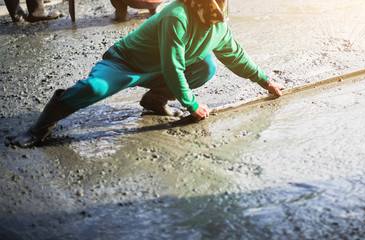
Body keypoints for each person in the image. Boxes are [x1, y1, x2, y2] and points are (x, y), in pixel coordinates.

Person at [13, 0, 285, 148]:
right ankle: (38, 128)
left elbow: (236, 55)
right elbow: (173, 65)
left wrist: (265, 81)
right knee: (94, 89)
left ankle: (154, 101)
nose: (216, 7)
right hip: (126, 63)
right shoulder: (177, 14)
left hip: (158, 70)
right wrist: (191, 104)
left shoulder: (220, 25)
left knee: (206, 66)